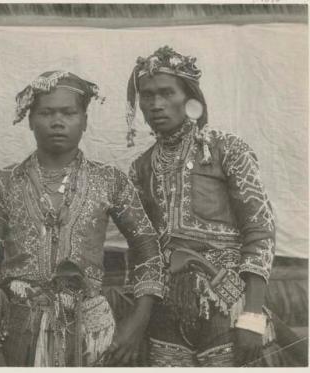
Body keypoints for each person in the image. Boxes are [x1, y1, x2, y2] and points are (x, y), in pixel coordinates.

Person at [0, 71, 164, 367]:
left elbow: (148, 247)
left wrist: (137, 322)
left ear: (84, 120)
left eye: (69, 112)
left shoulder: (110, 180)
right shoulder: (3, 184)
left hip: (93, 333)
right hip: (22, 331)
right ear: (31, 119)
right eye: (46, 113)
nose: (57, 121)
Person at [126, 46, 278, 367]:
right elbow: (142, 250)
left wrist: (252, 314)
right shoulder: (139, 169)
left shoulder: (227, 149)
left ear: (191, 97)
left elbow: (260, 230)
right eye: (147, 95)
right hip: (166, 308)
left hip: (227, 303)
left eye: (167, 93)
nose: (156, 104)